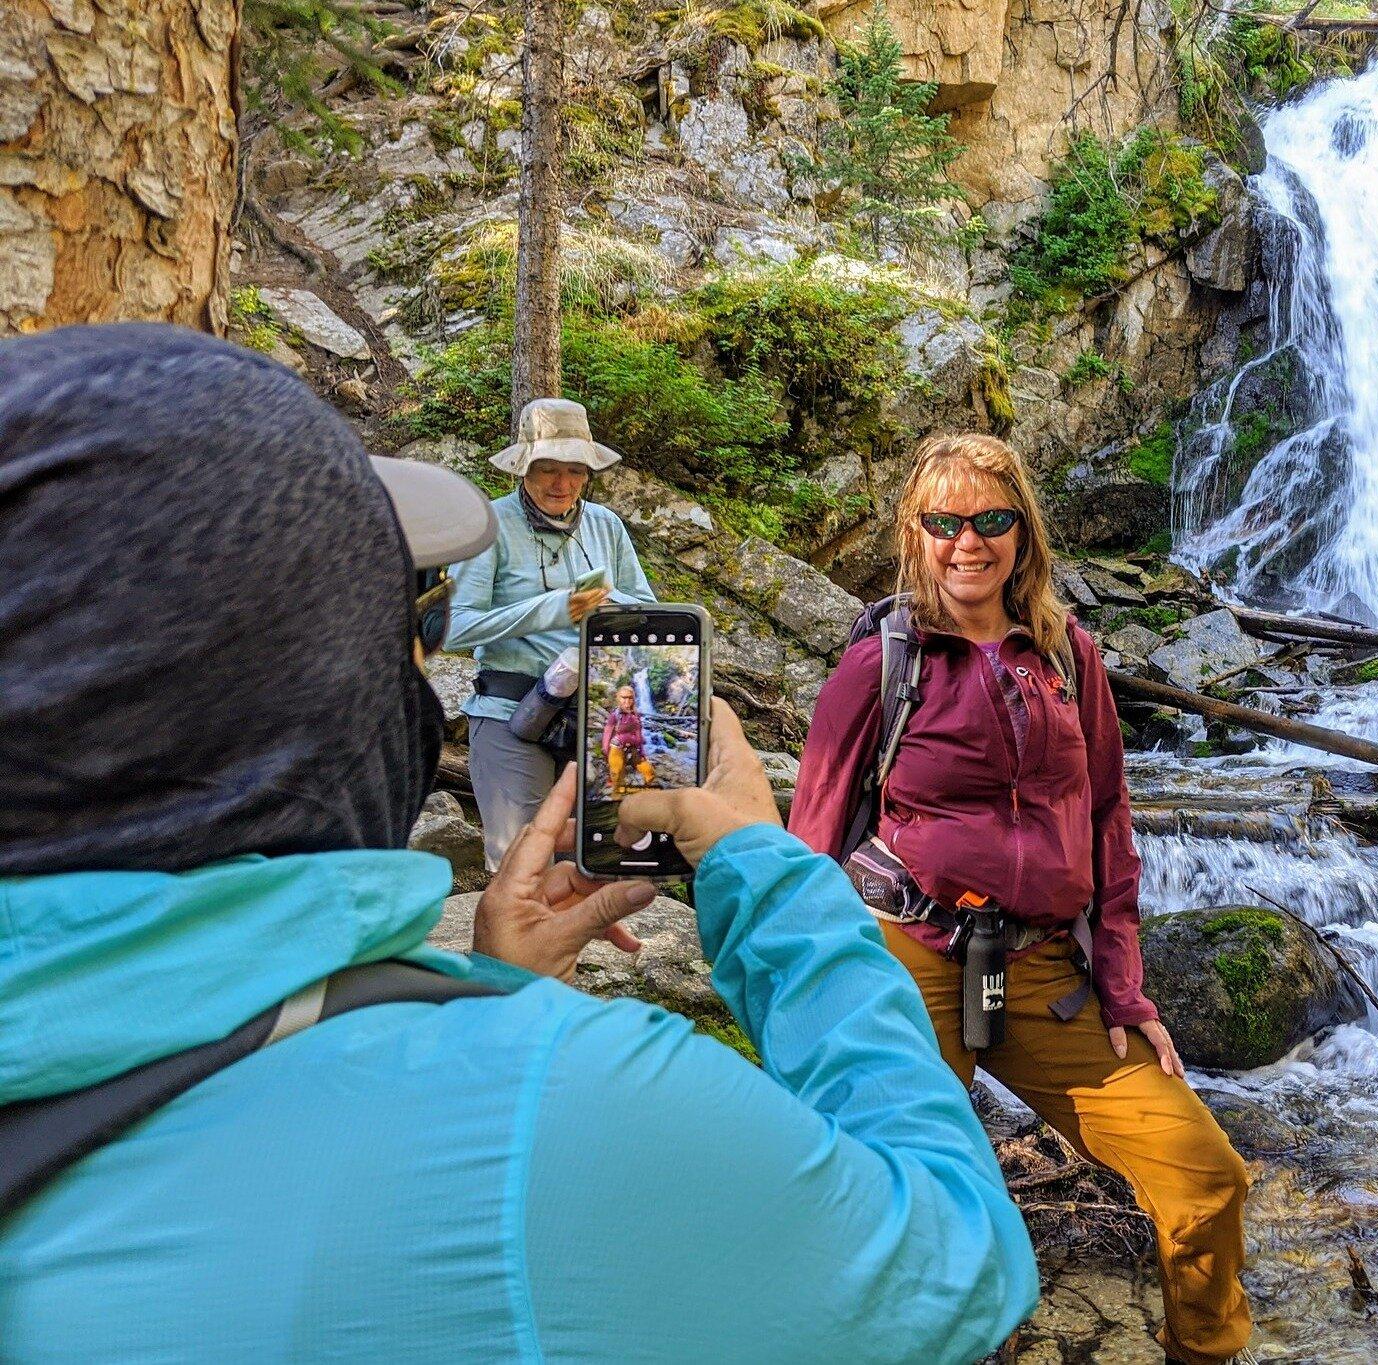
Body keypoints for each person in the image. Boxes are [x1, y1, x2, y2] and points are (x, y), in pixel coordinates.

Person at [0, 326, 1037, 1361]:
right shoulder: (564, 1117)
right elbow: (958, 1264)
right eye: (417, 615)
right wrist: (774, 882)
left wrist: (478, 993)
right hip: (517, 717)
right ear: (313, 694)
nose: (418, 646)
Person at [789, 433, 1253, 1365]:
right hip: (909, 954)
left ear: (1023, 534)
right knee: (926, 1207)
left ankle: (1202, 1348)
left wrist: (1124, 988)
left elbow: (1109, 821)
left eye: (991, 520)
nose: (969, 542)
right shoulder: (881, 663)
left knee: (1204, 1174)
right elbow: (808, 847)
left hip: (1042, 965)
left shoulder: (1068, 655)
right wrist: (811, 1006)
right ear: (915, 536)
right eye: (945, 522)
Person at [447, 397, 655, 869]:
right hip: (510, 713)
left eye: (575, 470)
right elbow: (455, 626)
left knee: (601, 859)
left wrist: (610, 606)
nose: (563, 484)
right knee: (522, 862)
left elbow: (645, 610)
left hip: (597, 718)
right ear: (523, 468)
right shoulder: (491, 524)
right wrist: (553, 609)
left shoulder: (606, 525)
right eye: (548, 470)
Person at [603, 683, 658, 796]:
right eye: (624, 698)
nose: (627, 701)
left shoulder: (636, 715)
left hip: (634, 750)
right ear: (618, 698)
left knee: (649, 772)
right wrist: (606, 750)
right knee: (617, 776)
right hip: (617, 748)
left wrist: (642, 751)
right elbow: (608, 732)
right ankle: (618, 797)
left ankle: (641, 793)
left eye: (630, 698)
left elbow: (639, 733)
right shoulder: (615, 715)